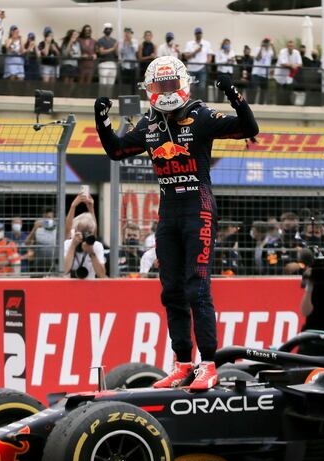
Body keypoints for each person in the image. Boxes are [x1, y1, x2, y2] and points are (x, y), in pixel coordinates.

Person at [94, 56, 258, 390]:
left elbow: (248, 129)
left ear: (181, 83)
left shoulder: (201, 114)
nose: (167, 91)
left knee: (196, 287)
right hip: (168, 212)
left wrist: (235, 96)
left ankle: (208, 364)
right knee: (171, 292)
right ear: (150, 88)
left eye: (171, 84)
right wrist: (101, 122)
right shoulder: (149, 122)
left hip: (198, 208)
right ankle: (183, 363)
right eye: (161, 86)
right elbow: (117, 151)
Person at [63, 213, 106, 279]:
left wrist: (92, 254)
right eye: (82, 231)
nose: (84, 235)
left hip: (90, 285)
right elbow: (64, 270)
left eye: (89, 232)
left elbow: (102, 275)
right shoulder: (67, 244)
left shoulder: (97, 245)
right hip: (69, 284)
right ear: (75, 231)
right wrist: (73, 246)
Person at [25, 206, 58, 275]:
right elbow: (27, 243)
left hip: (54, 266)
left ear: (54, 219)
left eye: (49, 217)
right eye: (45, 217)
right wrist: (34, 228)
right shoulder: (38, 228)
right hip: (38, 266)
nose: (46, 220)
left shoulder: (58, 229)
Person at [183, 27, 212, 100]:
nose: (198, 35)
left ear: (201, 34)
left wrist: (206, 64)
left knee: (201, 87)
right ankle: (191, 101)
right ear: (195, 34)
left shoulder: (206, 43)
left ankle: (200, 102)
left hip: (202, 68)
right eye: (197, 33)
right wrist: (196, 51)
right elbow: (186, 56)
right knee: (191, 87)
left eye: (199, 33)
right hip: (191, 69)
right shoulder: (189, 44)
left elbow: (209, 56)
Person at [273, 40, 301, 105]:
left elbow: (300, 64)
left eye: (291, 46)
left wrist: (295, 65)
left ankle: (287, 105)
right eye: (289, 46)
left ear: (294, 47)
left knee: (288, 93)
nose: (290, 47)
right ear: (287, 46)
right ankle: (278, 106)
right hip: (279, 76)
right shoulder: (282, 51)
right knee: (279, 93)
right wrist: (292, 65)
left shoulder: (296, 52)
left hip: (288, 77)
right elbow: (283, 64)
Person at [251, 38, 274, 105]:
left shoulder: (270, 51)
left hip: (265, 74)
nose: (266, 44)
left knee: (263, 91)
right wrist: (261, 48)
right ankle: (251, 104)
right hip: (256, 73)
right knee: (254, 90)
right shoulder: (257, 48)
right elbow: (258, 58)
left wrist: (272, 46)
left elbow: (274, 57)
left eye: (267, 42)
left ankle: (261, 104)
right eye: (265, 42)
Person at [120, 27, 138, 91]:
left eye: (129, 33)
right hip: (124, 65)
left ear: (131, 33)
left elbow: (135, 50)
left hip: (133, 64)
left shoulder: (134, 41)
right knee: (124, 82)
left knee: (133, 82)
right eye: (126, 32)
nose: (127, 34)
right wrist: (125, 43)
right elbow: (121, 51)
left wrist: (130, 41)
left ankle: (133, 95)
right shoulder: (121, 41)